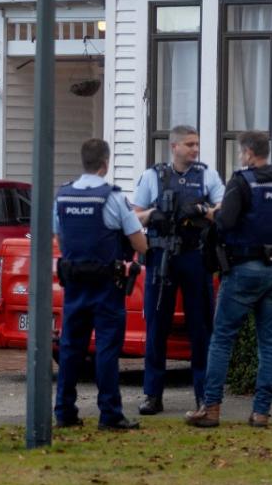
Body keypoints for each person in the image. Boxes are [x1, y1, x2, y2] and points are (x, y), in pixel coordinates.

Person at [185, 130, 272, 429]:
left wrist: (211, 213)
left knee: (222, 339)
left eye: (242, 153)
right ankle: (261, 412)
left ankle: (211, 408)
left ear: (250, 154)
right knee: (268, 342)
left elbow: (226, 223)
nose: (241, 157)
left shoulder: (242, 181)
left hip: (243, 270)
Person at [52, 138, 148, 431]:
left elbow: (59, 237)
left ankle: (65, 412)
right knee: (107, 348)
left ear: (84, 162)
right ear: (105, 164)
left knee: (70, 348)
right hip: (107, 285)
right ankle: (110, 414)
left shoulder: (63, 196)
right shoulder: (113, 198)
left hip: (75, 283)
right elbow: (139, 242)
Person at [132, 125, 224, 415]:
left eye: (197, 144)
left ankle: (204, 396)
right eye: (189, 144)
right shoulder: (153, 176)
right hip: (162, 257)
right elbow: (135, 215)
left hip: (195, 256)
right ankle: (152, 395)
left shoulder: (207, 175)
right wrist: (153, 215)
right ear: (174, 147)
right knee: (157, 326)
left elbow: (223, 210)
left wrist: (201, 211)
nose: (195, 149)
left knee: (201, 328)